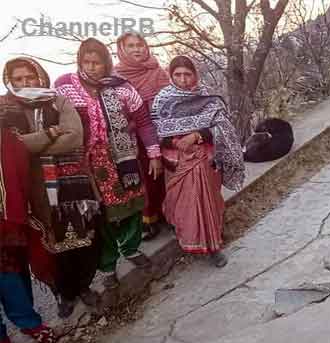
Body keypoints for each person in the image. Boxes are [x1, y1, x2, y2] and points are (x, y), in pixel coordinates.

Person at [55, 38, 162, 288]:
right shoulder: (65, 87)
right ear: (79, 61)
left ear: (106, 63)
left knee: (133, 207)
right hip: (87, 166)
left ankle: (130, 248)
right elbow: (56, 121)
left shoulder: (122, 87)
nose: (92, 67)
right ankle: (108, 265)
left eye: (97, 62)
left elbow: (144, 122)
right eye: (87, 62)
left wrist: (154, 154)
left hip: (124, 159)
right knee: (101, 216)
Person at [1, 57, 101, 319]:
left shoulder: (57, 100)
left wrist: (30, 145)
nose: (25, 83)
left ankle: (83, 285)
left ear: (39, 76)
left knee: (83, 238)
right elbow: (11, 147)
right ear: (10, 82)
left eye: (29, 77)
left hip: (72, 182)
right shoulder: (5, 108)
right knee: (49, 244)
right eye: (18, 79)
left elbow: (74, 137)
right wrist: (51, 133)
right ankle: (63, 293)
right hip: (33, 188)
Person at [151, 56, 245, 267]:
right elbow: (157, 133)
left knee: (206, 196)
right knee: (186, 203)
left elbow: (223, 127)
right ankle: (191, 237)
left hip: (205, 155)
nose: (183, 79)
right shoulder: (162, 100)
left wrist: (196, 136)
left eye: (188, 74)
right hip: (176, 158)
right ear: (171, 76)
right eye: (178, 75)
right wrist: (177, 141)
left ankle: (213, 245)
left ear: (195, 74)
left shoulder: (208, 96)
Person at [0, 98, 57, 343]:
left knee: (10, 273)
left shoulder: (5, 132)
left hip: (5, 218)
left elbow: (20, 158)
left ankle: (28, 321)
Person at [115, 32, 170, 242]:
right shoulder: (116, 78)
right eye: (131, 46)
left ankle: (171, 213)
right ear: (122, 50)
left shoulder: (157, 72)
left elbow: (170, 102)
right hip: (134, 138)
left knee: (166, 174)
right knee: (145, 178)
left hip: (163, 132)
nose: (137, 49)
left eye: (140, 44)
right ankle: (149, 219)